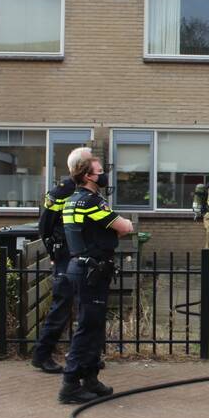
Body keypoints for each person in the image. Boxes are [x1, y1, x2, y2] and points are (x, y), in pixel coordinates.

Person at [58, 156, 134, 404]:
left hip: (81, 268)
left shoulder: (71, 201)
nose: (104, 175)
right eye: (100, 171)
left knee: (94, 326)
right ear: (88, 176)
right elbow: (124, 228)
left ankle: (90, 378)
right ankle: (70, 384)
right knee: (88, 327)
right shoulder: (91, 202)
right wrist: (126, 224)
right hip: (90, 271)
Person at [30, 146, 93, 373]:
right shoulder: (63, 190)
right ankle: (42, 354)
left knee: (84, 306)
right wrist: (54, 253)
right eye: (89, 161)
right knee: (62, 305)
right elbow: (45, 225)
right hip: (67, 256)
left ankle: (83, 354)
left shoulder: (85, 189)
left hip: (80, 254)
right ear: (80, 167)